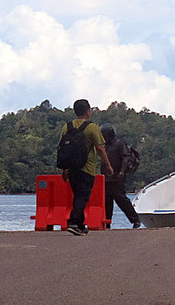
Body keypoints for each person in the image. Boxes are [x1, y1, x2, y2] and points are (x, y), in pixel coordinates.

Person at [60, 99, 114, 236]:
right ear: (88, 111)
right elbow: (100, 149)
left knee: (78, 196)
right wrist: (107, 165)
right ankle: (73, 222)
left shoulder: (67, 127)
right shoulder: (92, 128)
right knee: (82, 197)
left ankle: (80, 225)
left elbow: (63, 150)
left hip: (71, 169)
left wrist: (64, 170)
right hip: (87, 168)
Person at [100, 123, 141, 229]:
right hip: (107, 179)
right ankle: (107, 223)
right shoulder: (107, 146)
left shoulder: (119, 143)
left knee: (122, 200)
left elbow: (125, 158)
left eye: (104, 135)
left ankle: (135, 220)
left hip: (117, 178)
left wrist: (122, 172)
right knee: (107, 203)